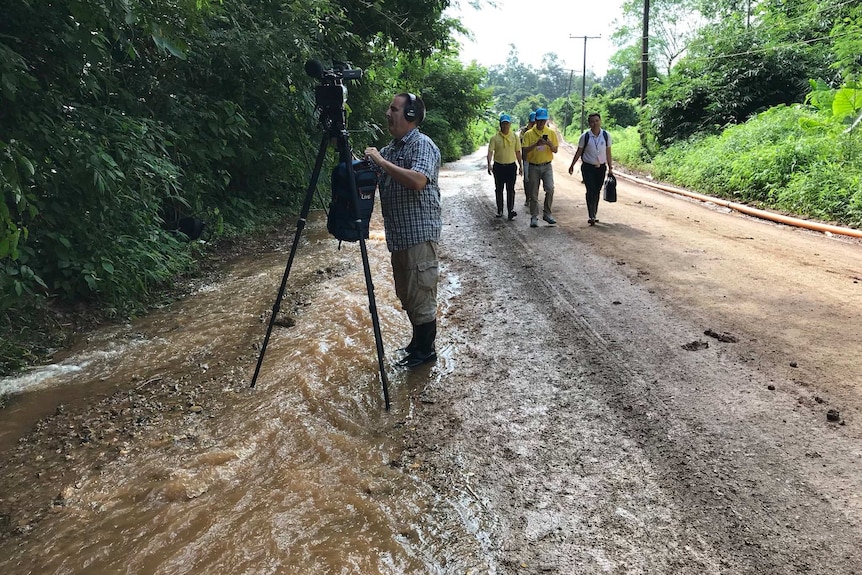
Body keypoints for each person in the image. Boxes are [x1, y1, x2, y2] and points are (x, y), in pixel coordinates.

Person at [364, 93, 442, 368]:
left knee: (421, 292)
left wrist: (382, 162)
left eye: (394, 109)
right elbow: (369, 171)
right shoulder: (393, 149)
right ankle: (416, 344)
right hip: (399, 236)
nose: (388, 113)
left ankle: (426, 352)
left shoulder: (422, 145)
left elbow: (419, 180)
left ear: (410, 116)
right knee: (408, 293)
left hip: (419, 235)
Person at [568, 112, 614, 226]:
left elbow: (608, 152)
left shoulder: (606, 136)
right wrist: (572, 165)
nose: (595, 123)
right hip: (588, 167)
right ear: (589, 123)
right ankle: (591, 215)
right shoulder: (585, 136)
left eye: (597, 121)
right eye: (592, 122)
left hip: (601, 168)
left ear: (600, 121)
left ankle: (594, 213)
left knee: (597, 190)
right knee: (590, 190)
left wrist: (610, 168)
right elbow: (579, 151)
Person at [521, 108, 559, 228]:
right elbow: (524, 150)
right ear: (536, 120)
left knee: (550, 189)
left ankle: (547, 213)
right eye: (540, 120)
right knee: (533, 193)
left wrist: (548, 144)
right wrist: (536, 144)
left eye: (544, 120)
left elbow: (556, 150)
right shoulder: (528, 134)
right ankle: (534, 216)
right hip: (533, 166)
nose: (542, 123)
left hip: (547, 165)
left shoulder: (551, 133)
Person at [487, 113, 523, 220]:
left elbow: (518, 152)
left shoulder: (514, 137)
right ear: (500, 125)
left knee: (510, 189)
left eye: (507, 124)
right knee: (499, 189)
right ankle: (500, 210)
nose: (505, 126)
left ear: (510, 124)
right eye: (503, 124)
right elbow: (490, 152)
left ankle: (510, 210)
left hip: (511, 166)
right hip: (498, 166)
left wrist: (520, 165)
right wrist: (489, 164)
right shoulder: (494, 138)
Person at [519, 111, 536, 206]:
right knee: (527, 179)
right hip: (527, 158)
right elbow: (522, 144)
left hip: (536, 158)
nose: (534, 124)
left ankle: (533, 197)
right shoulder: (524, 131)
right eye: (532, 122)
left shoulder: (540, 130)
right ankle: (527, 198)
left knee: (534, 180)